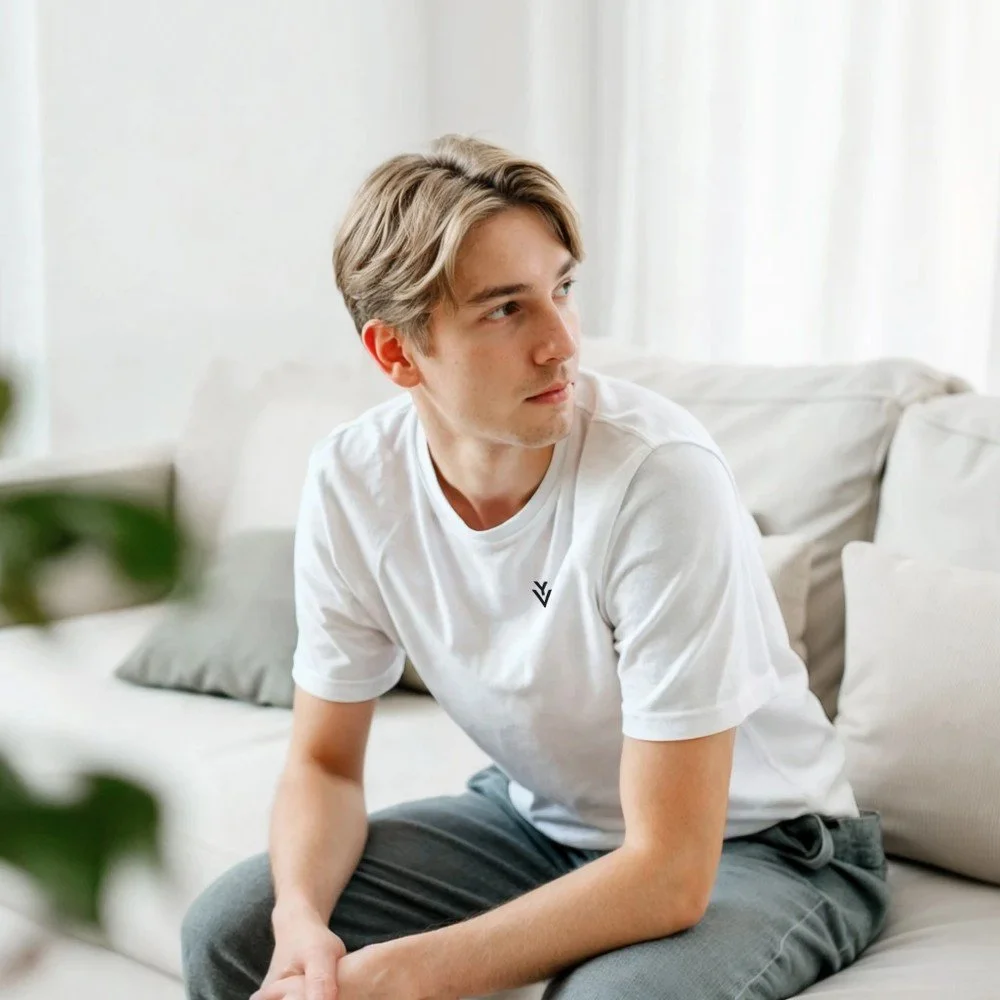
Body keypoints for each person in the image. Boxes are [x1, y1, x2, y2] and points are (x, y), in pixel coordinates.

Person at [181, 134, 890, 1000]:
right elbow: (325, 764)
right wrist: (301, 925)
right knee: (234, 933)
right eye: (505, 309)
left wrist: (407, 973)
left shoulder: (657, 478)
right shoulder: (354, 480)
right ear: (397, 353)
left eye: (561, 290)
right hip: (533, 822)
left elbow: (669, 873)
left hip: (768, 848)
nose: (561, 343)